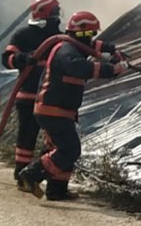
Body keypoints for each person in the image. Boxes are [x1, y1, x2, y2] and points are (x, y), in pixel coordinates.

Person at [19, 11, 129, 200]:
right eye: (91, 34)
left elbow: (93, 46)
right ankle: (31, 174)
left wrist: (112, 49)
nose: (93, 39)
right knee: (69, 149)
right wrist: (113, 69)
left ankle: (57, 191)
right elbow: (80, 68)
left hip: (60, 110)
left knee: (60, 149)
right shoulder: (67, 51)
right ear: (83, 35)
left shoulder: (75, 45)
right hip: (53, 110)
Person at [1, 0, 62, 190]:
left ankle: (40, 176)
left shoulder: (58, 37)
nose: (58, 15)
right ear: (45, 13)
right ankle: (22, 177)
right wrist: (23, 58)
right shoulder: (23, 35)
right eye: (55, 12)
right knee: (26, 139)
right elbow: (6, 59)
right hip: (28, 97)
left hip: (50, 98)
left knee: (54, 141)